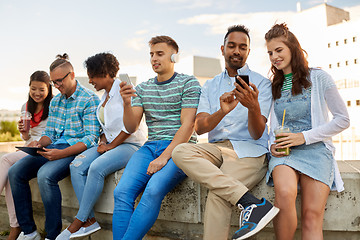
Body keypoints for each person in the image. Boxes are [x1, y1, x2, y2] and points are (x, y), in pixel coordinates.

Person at [172, 25, 279, 240]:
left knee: (218, 197)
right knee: (180, 151)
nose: (236, 51)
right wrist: (222, 111)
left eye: (242, 47)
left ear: (248, 52)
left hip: (249, 152)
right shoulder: (210, 86)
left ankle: (251, 205)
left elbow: (258, 134)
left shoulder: (262, 84)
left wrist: (253, 107)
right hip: (217, 148)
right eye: (232, 46)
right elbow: (200, 127)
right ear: (223, 49)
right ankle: (251, 203)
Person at [264, 23, 350, 240]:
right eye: (270, 52)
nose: (274, 56)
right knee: (284, 195)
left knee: (311, 216)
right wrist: (271, 145)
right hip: (285, 154)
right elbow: (268, 126)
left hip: (316, 151)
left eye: (279, 50)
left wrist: (304, 137)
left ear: (293, 47)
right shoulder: (274, 84)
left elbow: (343, 119)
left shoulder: (319, 78)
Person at [112, 35, 201, 240]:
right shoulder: (142, 88)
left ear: (174, 57)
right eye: (151, 54)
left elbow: (188, 125)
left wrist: (165, 157)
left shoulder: (189, 82)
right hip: (150, 147)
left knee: (153, 190)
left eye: (160, 54)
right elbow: (131, 126)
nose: (154, 58)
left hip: (181, 149)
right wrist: (126, 103)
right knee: (121, 192)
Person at [8, 54, 101, 240]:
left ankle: (52, 234)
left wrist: (62, 153)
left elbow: (92, 138)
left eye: (59, 81)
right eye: (54, 82)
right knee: (15, 172)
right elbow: (50, 134)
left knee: (45, 175)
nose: (56, 86)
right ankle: (29, 232)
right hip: (55, 147)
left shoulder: (89, 99)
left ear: (72, 74)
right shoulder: (56, 102)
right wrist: (38, 143)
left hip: (75, 150)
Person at [55, 53, 147, 240]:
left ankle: (78, 222)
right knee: (77, 165)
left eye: (92, 75)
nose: (89, 80)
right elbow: (104, 126)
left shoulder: (124, 91)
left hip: (130, 145)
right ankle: (89, 221)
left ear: (104, 73)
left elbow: (130, 127)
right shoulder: (104, 96)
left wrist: (111, 145)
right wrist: (104, 141)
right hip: (110, 145)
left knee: (96, 168)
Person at [0, 71, 52, 240]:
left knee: (5, 159)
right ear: (29, 88)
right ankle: (15, 226)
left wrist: (36, 142)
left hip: (43, 148)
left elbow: (53, 135)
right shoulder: (25, 107)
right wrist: (24, 133)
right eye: (33, 89)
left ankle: (17, 227)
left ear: (49, 89)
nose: (37, 93)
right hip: (28, 148)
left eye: (41, 90)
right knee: (10, 172)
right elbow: (27, 138)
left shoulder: (53, 107)